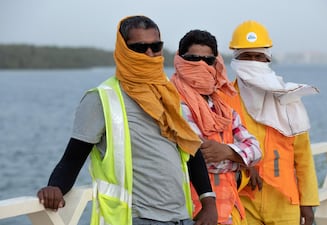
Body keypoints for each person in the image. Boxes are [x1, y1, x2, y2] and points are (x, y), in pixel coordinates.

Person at [36, 15, 218, 225]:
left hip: (181, 217)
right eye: (139, 48)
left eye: (155, 46)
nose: (149, 54)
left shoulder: (167, 94)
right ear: (123, 50)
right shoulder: (101, 98)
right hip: (135, 218)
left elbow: (190, 149)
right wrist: (55, 187)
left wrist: (209, 202)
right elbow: (72, 159)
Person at [223, 20, 320, 225]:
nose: (253, 62)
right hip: (242, 197)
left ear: (267, 59)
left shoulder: (288, 100)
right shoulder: (224, 99)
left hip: (284, 200)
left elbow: (303, 157)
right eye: (246, 57)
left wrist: (308, 201)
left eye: (258, 56)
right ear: (236, 60)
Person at [170, 29, 262, 225]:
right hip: (194, 213)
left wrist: (226, 151)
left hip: (229, 211)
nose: (202, 66)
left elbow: (256, 150)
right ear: (181, 61)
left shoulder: (221, 106)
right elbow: (200, 159)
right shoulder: (174, 103)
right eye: (194, 59)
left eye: (208, 61)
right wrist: (240, 159)